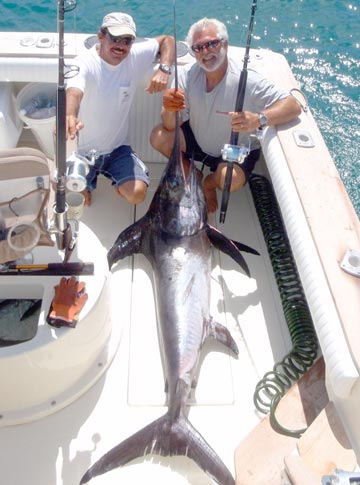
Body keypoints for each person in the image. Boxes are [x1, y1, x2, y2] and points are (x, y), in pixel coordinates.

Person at [150, 17, 301, 213]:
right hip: (197, 137)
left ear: (225, 45)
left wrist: (259, 119)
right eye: (198, 47)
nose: (206, 51)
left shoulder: (248, 79)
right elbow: (170, 126)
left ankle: (210, 184)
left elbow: (293, 105)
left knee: (230, 181)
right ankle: (194, 175)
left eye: (212, 43)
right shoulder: (185, 75)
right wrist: (169, 108)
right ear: (194, 53)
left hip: (233, 148)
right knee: (158, 137)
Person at [66, 12, 175, 206]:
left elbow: (168, 40)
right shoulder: (83, 63)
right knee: (79, 196)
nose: (121, 46)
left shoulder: (133, 56)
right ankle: (86, 186)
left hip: (117, 149)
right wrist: (70, 115)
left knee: (137, 195)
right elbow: (74, 92)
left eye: (127, 40)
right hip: (81, 151)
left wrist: (164, 69)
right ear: (100, 35)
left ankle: (114, 181)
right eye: (115, 38)